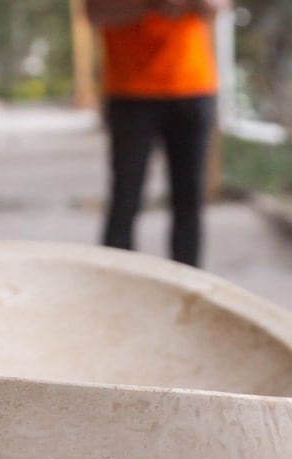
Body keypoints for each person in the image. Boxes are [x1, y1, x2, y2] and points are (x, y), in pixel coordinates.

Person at [86, 0, 228, 267]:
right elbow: (94, 12)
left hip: (191, 86)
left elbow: (218, 5)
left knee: (189, 200)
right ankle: (113, 281)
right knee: (125, 199)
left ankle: (187, 283)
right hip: (130, 92)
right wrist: (151, 4)